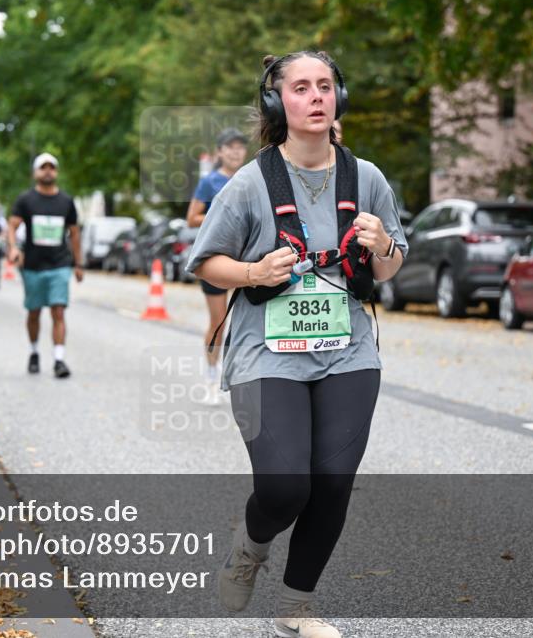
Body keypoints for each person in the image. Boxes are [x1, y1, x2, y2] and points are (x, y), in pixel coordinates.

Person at [186, 51, 407, 638]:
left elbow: (388, 270)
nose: (315, 96)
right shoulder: (250, 183)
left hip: (350, 352)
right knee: (286, 487)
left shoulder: (368, 179)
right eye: (301, 87)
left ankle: (297, 607)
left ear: (339, 98)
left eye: (326, 86)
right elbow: (205, 263)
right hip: (265, 356)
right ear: (276, 102)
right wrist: (256, 273)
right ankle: (251, 544)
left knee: (332, 484)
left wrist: (384, 244)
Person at [6, 152, 83, 379]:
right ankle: (34, 351)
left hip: (59, 264)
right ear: (35, 173)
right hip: (32, 265)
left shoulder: (66, 202)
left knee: (58, 310)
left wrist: (78, 264)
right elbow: (12, 226)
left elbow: (74, 234)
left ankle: (59, 359)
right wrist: (13, 248)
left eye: (52, 167)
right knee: (34, 312)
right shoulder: (25, 200)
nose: (48, 171)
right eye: (43, 167)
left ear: (56, 172)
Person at [186, 127, 249, 402]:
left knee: (249, 321)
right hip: (216, 259)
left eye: (239, 147)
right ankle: (212, 376)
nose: (235, 151)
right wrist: (220, 214)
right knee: (219, 322)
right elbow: (192, 218)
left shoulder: (251, 179)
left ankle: (244, 376)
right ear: (220, 152)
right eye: (230, 147)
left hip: (247, 259)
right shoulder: (209, 182)